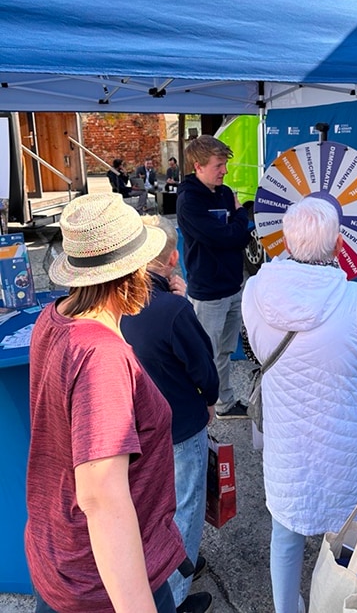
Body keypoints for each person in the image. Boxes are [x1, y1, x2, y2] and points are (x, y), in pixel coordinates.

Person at [26, 193, 189, 613]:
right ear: (133, 273)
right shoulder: (101, 355)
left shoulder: (54, 318)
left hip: (62, 555)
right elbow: (101, 497)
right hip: (107, 583)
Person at [242, 197, 357, 613]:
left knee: (286, 531)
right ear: (338, 245)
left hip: (287, 439)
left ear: (287, 242)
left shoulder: (254, 291)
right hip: (350, 446)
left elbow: (252, 350)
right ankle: (352, 604)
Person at [121, 216, 219, 613]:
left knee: (146, 507)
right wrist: (210, 401)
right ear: (173, 258)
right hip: (179, 425)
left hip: (133, 427)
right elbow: (203, 367)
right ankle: (174, 599)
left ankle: (163, 571)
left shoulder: (117, 303)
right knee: (185, 508)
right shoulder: (174, 309)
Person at [176, 135, 252, 419]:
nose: (225, 171)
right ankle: (202, 407)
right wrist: (240, 216)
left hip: (233, 286)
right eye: (218, 165)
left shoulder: (224, 192)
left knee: (225, 351)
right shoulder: (189, 201)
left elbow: (240, 238)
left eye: (224, 164)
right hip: (208, 292)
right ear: (198, 166)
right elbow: (225, 237)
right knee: (205, 352)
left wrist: (236, 227)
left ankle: (224, 403)